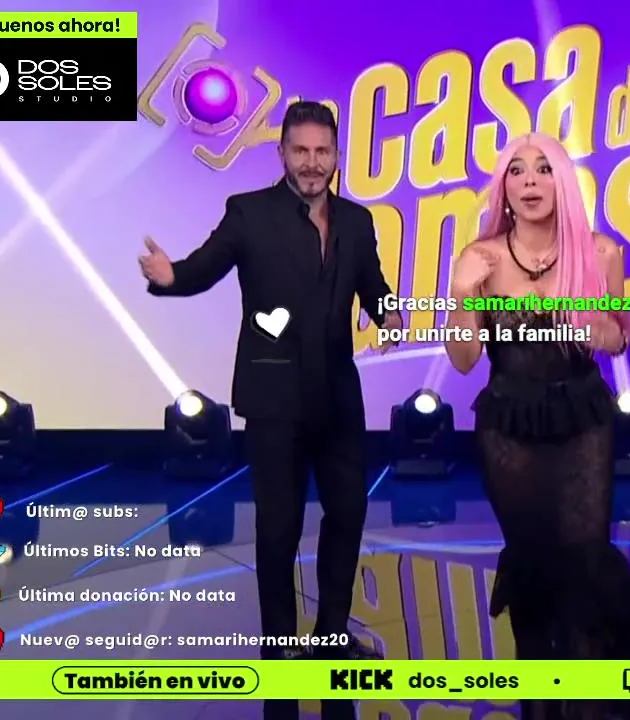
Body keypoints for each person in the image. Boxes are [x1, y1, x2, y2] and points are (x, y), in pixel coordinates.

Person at [139, 102, 402, 720]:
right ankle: (279, 646)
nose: (312, 163)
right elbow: (203, 268)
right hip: (273, 396)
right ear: (282, 153)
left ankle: (331, 634)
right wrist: (170, 275)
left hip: (338, 396)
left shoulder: (358, 222)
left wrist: (388, 312)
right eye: (300, 151)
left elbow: (373, 285)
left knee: (349, 513)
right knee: (278, 527)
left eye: (322, 152)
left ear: (336, 157)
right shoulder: (249, 213)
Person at [443, 132, 630, 720]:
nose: (529, 181)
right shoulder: (481, 257)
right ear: (503, 187)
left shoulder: (600, 253)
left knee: (583, 556)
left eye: (542, 169)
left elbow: (619, 337)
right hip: (509, 420)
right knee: (531, 559)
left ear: (563, 182)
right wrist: (461, 293)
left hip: (582, 417)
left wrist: (599, 329)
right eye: (517, 171)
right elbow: (463, 360)